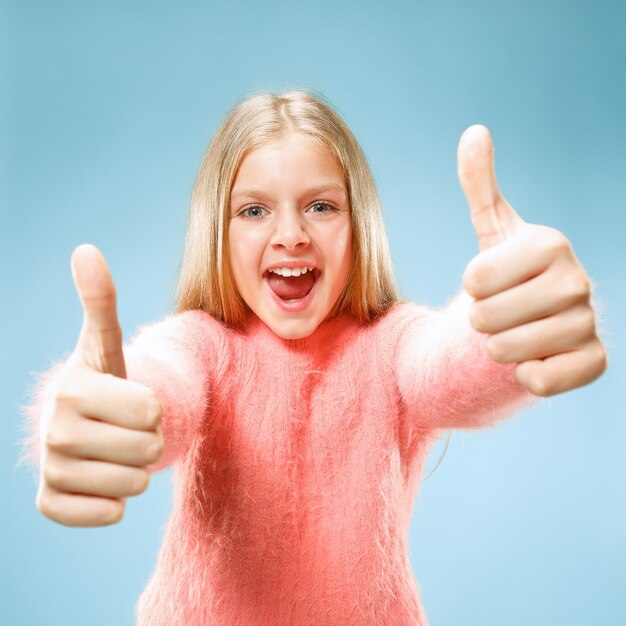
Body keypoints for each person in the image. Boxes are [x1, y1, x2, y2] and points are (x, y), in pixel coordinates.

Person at [19, 90, 607, 625]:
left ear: (359, 225)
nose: (291, 235)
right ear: (218, 233)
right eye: (254, 211)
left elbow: (447, 361)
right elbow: (155, 383)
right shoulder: (202, 344)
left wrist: (509, 322)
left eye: (321, 207)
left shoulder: (391, 344)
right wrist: (92, 407)